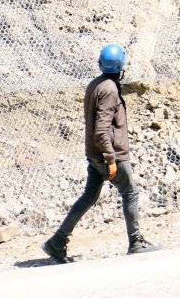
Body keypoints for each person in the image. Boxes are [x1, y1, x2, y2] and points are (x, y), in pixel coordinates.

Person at [42, 44, 158, 263]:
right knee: (130, 193)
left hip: (94, 153)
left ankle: (57, 241)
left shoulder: (95, 84)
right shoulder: (110, 89)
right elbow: (102, 130)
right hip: (109, 155)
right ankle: (136, 242)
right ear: (121, 66)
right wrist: (111, 159)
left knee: (89, 196)